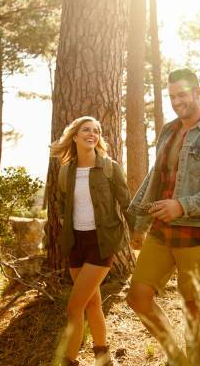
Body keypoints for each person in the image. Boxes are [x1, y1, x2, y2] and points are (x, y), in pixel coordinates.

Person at [126, 68, 200, 365]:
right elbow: (156, 177)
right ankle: (177, 358)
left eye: (183, 95)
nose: (178, 101)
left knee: (191, 307)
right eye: (173, 96)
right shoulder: (169, 130)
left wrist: (183, 205)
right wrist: (140, 223)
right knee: (138, 296)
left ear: (197, 92)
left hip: (199, 231)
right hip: (162, 229)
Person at [51, 116, 134, 366]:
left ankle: (69, 360)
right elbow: (61, 203)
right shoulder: (66, 170)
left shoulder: (110, 167)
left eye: (96, 131)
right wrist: (66, 224)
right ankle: (103, 357)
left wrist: (138, 233)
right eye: (86, 130)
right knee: (92, 302)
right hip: (76, 243)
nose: (92, 134)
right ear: (74, 136)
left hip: (102, 242)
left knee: (73, 308)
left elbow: (126, 203)